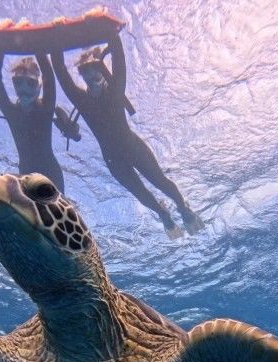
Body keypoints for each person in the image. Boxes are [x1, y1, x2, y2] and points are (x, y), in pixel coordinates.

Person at [51, 35, 204, 238]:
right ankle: (163, 214)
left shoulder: (115, 90)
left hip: (133, 147)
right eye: (86, 76)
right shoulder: (82, 100)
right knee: (140, 194)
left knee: (160, 181)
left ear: (103, 72)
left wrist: (108, 32)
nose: (92, 80)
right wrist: (54, 41)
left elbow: (117, 50)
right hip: (114, 159)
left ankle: (183, 208)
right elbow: (61, 74)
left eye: (96, 74)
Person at [0, 53, 65, 192]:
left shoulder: (46, 109)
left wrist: (37, 46)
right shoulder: (12, 112)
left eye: (31, 83)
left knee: (58, 214)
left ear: (39, 87)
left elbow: (49, 76)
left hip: (52, 177)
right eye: (18, 82)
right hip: (26, 178)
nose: (24, 89)